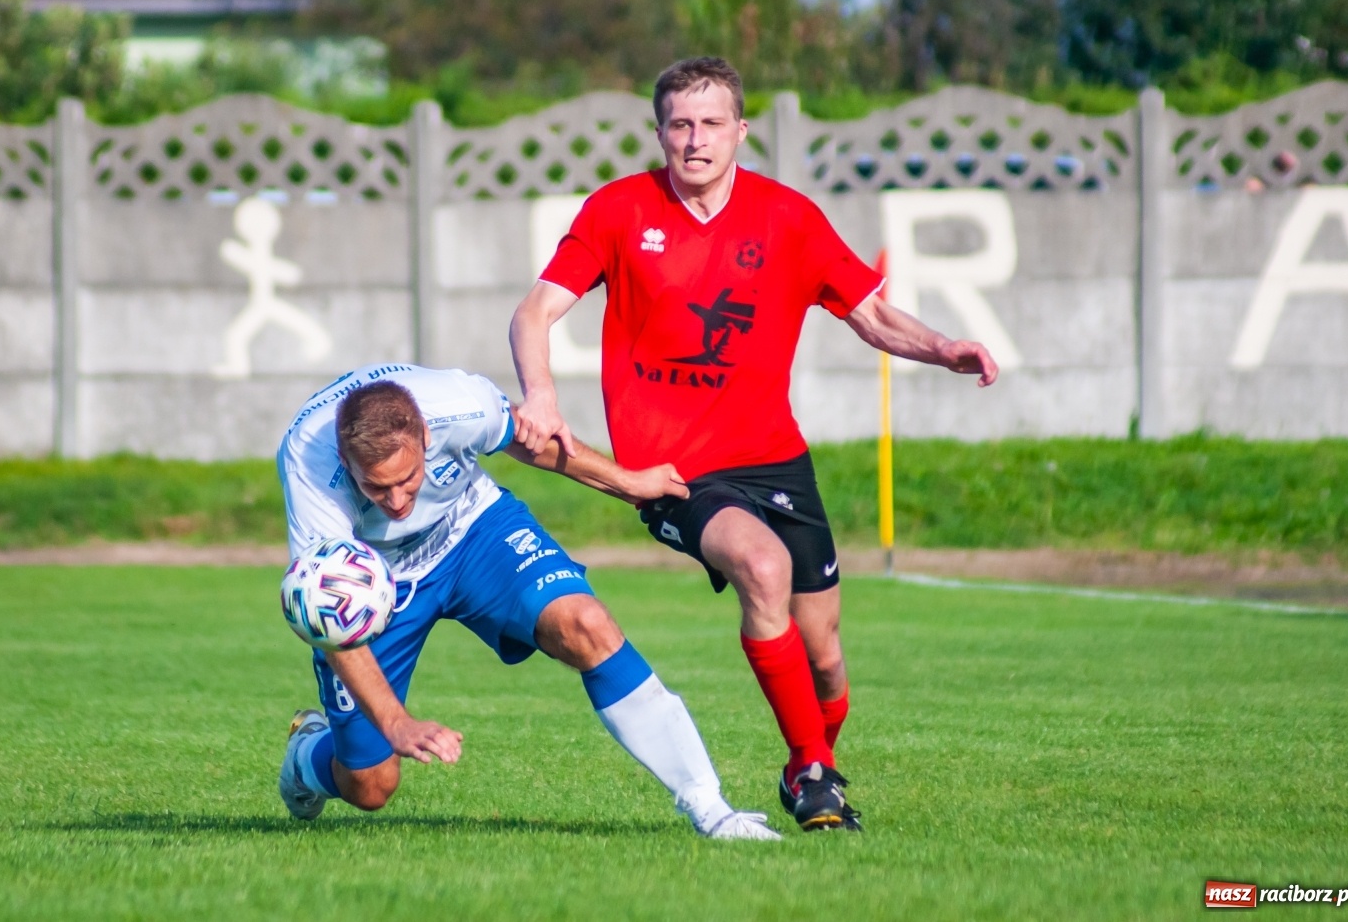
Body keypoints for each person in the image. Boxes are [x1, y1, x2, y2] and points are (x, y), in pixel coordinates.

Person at [508, 57, 999, 832]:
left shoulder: (788, 218)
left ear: (741, 130)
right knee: (760, 568)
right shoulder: (619, 211)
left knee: (825, 652)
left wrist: (945, 349)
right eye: (679, 123)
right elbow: (535, 311)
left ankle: (814, 758)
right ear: (660, 130)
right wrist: (542, 392)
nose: (694, 139)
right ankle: (811, 775)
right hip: (673, 470)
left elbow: (869, 313)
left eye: (710, 123)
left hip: (776, 457)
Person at [275, 362, 779, 840]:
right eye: (376, 488)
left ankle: (711, 808)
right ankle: (307, 755)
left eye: (408, 479)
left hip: (473, 533)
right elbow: (326, 616)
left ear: (427, 438)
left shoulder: (458, 402)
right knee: (370, 786)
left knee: (586, 624)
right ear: (346, 462)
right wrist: (396, 723)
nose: (398, 501)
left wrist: (627, 483)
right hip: (373, 578)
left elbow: (526, 441)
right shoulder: (309, 464)